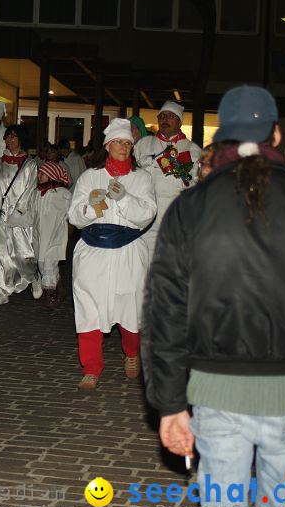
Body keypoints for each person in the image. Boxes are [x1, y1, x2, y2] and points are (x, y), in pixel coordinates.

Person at [142, 86, 285, 507]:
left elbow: (164, 312)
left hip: (217, 389)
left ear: (221, 141)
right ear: (276, 137)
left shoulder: (191, 207)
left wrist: (170, 404)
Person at [68, 118, 156, 390]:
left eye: (128, 143)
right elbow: (74, 216)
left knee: (129, 307)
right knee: (89, 310)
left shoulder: (141, 178)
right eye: (119, 142)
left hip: (128, 250)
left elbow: (147, 214)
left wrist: (125, 198)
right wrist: (91, 207)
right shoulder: (90, 176)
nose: (124, 147)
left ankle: (131, 353)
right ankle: (91, 367)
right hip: (93, 253)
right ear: (107, 145)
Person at [133, 101, 201, 254]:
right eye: (162, 116)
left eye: (171, 116)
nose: (165, 119)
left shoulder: (192, 149)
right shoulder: (144, 144)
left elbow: (195, 185)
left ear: (179, 122)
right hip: (147, 215)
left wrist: (183, 175)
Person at [0, 125, 40, 305]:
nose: (9, 140)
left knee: (23, 252)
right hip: (0, 214)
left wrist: (19, 210)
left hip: (20, 214)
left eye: (13, 137)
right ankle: (3, 289)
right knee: (0, 252)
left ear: (21, 139)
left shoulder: (30, 164)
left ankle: (33, 276)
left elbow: (30, 190)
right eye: (7, 137)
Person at [32, 160, 72, 307]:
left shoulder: (62, 194)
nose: (39, 175)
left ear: (51, 175)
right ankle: (58, 287)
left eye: (42, 173)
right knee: (42, 264)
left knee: (49, 264)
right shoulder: (37, 192)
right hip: (39, 235)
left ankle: (51, 295)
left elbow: (72, 211)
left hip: (54, 235)